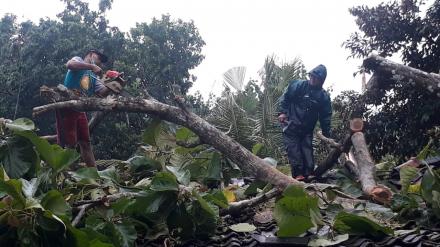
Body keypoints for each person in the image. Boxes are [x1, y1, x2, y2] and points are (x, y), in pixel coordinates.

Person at [56, 49, 122, 167]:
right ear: (91, 54)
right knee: (70, 144)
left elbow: (101, 93)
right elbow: (69, 65)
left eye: (101, 62)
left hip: (80, 110)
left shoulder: (93, 76)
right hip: (67, 106)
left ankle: (95, 177)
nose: (100, 63)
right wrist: (91, 66)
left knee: (86, 143)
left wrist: (112, 85)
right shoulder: (78, 60)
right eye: (99, 58)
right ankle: (65, 176)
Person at [278, 64, 332, 181]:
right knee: (295, 152)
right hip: (291, 126)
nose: (312, 79)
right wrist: (282, 113)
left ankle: (309, 175)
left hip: (307, 130)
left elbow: (325, 116)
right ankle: (298, 176)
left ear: (321, 81)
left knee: (308, 155)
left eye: (315, 78)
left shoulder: (323, 96)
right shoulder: (299, 85)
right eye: (311, 76)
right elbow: (285, 98)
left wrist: (327, 134)